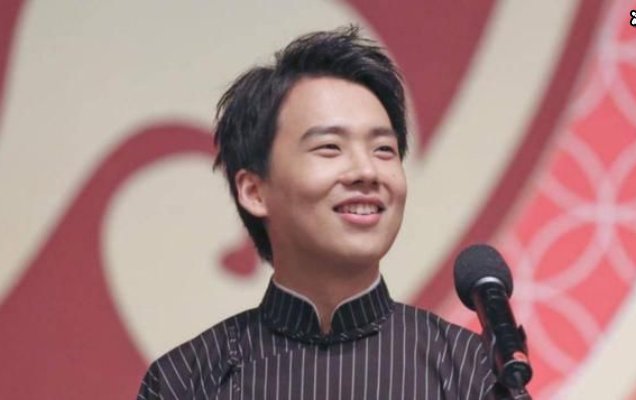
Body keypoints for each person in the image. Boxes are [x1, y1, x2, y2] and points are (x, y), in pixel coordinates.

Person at [137, 25, 497, 399]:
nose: (367, 171)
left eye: (383, 150)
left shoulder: (469, 370)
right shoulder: (187, 381)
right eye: (329, 147)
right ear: (255, 191)